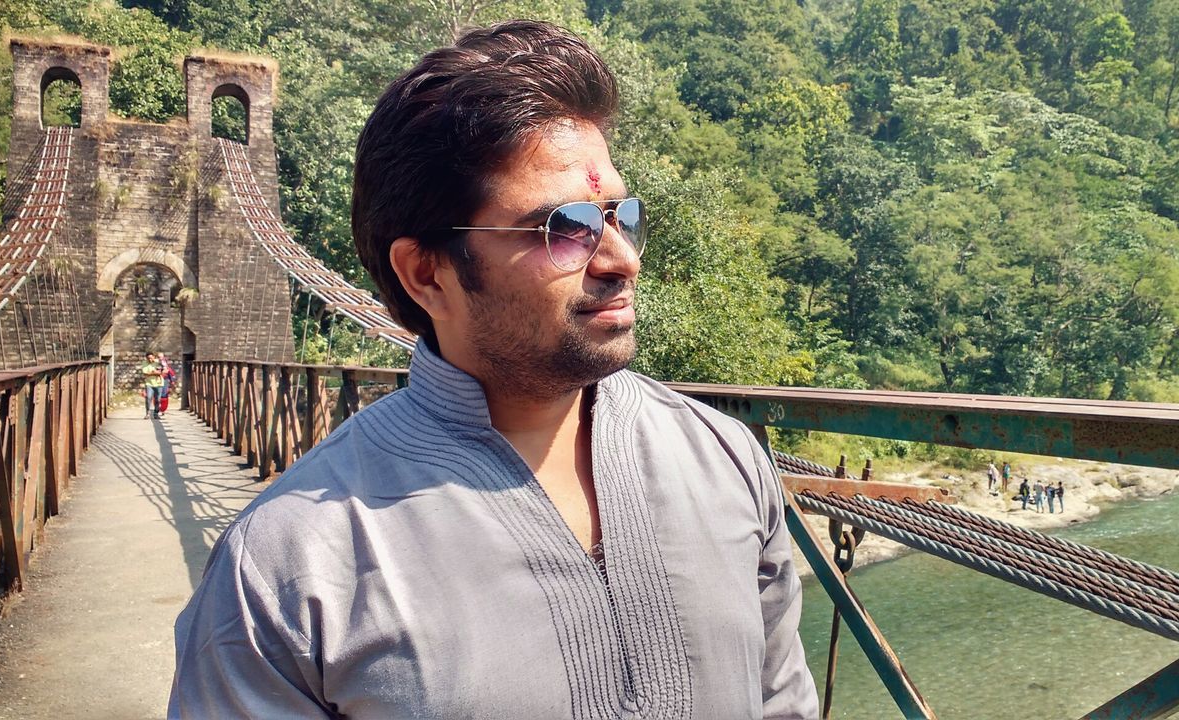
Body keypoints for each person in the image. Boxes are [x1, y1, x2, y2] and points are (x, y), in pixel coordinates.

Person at [168, 20, 818, 719]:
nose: (622, 258)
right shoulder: (284, 568)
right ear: (428, 274)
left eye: (619, 215)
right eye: (563, 228)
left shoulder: (723, 459)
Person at [141, 352, 163, 419]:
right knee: (148, 398)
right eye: (148, 358)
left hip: (158, 383)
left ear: (154, 357)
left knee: (158, 399)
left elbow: (160, 372)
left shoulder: (158, 362)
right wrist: (154, 372)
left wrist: (152, 373)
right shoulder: (144, 363)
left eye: (151, 358)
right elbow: (145, 373)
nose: (150, 360)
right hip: (149, 383)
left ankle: (156, 413)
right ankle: (147, 413)